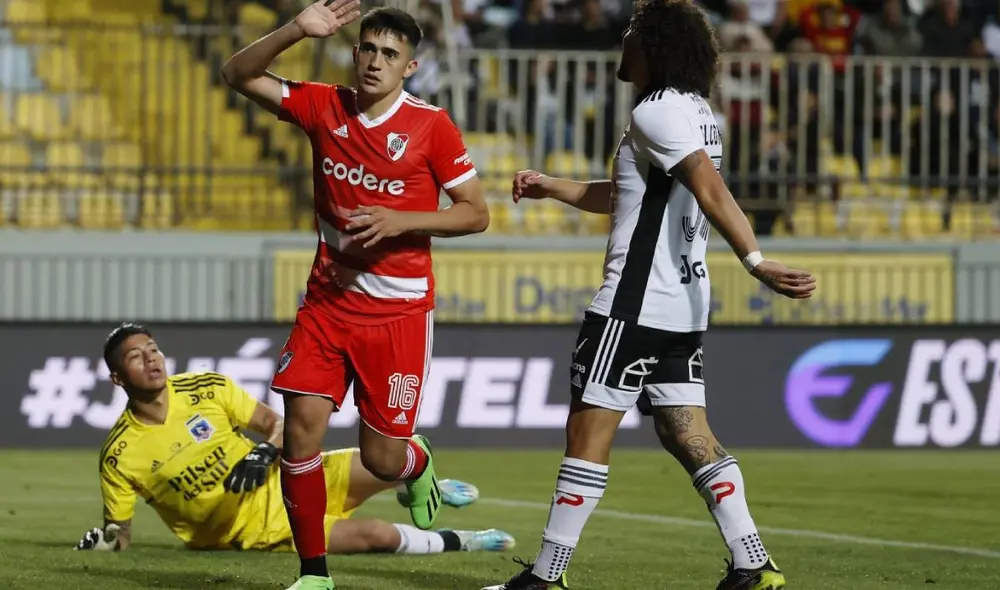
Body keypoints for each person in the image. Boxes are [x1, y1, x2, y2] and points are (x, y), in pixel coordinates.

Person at [483, 1, 816, 589]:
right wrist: (551, 187)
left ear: (655, 48)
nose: (623, 39)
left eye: (632, 33)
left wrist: (756, 261)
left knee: (587, 435)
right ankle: (753, 563)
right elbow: (632, 193)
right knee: (687, 432)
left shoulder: (656, 111)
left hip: (631, 308)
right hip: (682, 308)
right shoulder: (697, 111)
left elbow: (710, 188)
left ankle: (545, 577)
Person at [222, 3, 489, 589]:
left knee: (382, 461)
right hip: (327, 302)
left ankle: (415, 462)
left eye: (389, 54)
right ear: (354, 52)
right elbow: (237, 75)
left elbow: (476, 214)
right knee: (300, 432)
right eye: (367, 48)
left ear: (410, 67)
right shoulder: (325, 105)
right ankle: (314, 574)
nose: (374, 61)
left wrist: (400, 220)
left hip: (396, 312)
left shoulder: (431, 127)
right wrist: (296, 29)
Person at [76, 323, 515, 559]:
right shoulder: (119, 455)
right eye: (136, 356)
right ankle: (464, 540)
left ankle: (412, 483)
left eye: (152, 348)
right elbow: (121, 536)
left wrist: (265, 451)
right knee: (378, 536)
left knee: (385, 458)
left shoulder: (206, 388)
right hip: (260, 527)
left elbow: (281, 425)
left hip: (290, 475)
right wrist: (104, 542)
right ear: (117, 378)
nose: (151, 359)